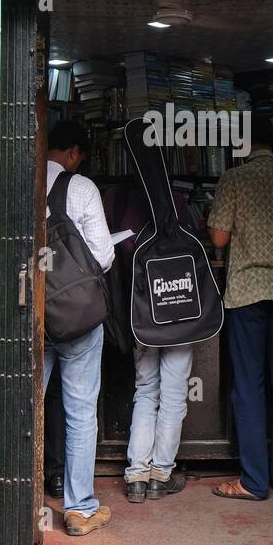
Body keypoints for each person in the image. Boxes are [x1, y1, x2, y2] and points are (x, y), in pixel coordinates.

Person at [208, 114, 273, 501]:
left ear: (243, 144)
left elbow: (218, 237)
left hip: (247, 292)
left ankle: (252, 481)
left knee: (249, 385)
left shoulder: (234, 179)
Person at [45, 120, 115, 536]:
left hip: (33, 315)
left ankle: (18, 503)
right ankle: (79, 509)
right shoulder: (82, 187)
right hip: (78, 319)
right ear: (72, 154)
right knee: (80, 411)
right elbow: (104, 256)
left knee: (28, 408)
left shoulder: (20, 180)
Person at [110, 177, 196, 504]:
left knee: (145, 390)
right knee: (174, 394)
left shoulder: (119, 201)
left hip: (142, 313)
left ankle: (136, 476)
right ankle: (161, 475)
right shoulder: (177, 200)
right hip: (179, 313)